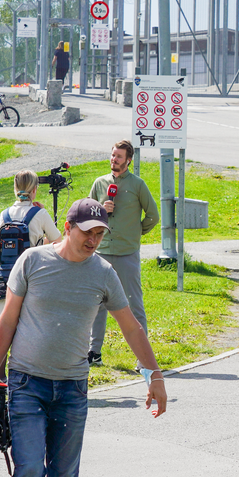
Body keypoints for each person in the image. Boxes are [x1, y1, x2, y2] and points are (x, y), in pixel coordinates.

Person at [0, 198, 168, 477]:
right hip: (27, 384)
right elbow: (7, 322)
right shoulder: (32, 261)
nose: (94, 240)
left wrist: (155, 377)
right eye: (88, 232)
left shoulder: (103, 273)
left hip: (71, 391)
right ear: (67, 227)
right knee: (30, 472)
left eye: (100, 233)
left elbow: (131, 327)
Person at [87, 140, 159, 366]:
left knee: (133, 304)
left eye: (118, 157)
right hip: (102, 253)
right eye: (112, 156)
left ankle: (142, 359)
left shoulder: (138, 185)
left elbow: (153, 216)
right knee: (96, 303)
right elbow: (87, 216)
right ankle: (94, 353)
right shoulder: (100, 184)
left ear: (128, 160)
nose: (114, 160)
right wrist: (101, 209)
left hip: (127, 254)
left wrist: (136, 233)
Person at [0, 171, 63, 323]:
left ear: (15, 188)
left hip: (5, 276)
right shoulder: (40, 214)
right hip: (32, 274)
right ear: (34, 190)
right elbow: (58, 241)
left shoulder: (4, 215)